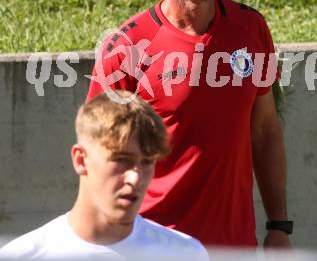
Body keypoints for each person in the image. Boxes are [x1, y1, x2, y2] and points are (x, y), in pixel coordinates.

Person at [86, 0, 292, 248]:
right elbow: (99, 155)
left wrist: (279, 225)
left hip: (234, 246)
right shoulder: (127, 46)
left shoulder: (250, 28)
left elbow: (265, 129)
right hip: (152, 246)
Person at [0, 91, 209, 260]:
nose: (135, 178)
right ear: (81, 160)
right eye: (121, 160)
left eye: (147, 162)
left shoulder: (185, 254)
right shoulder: (22, 255)